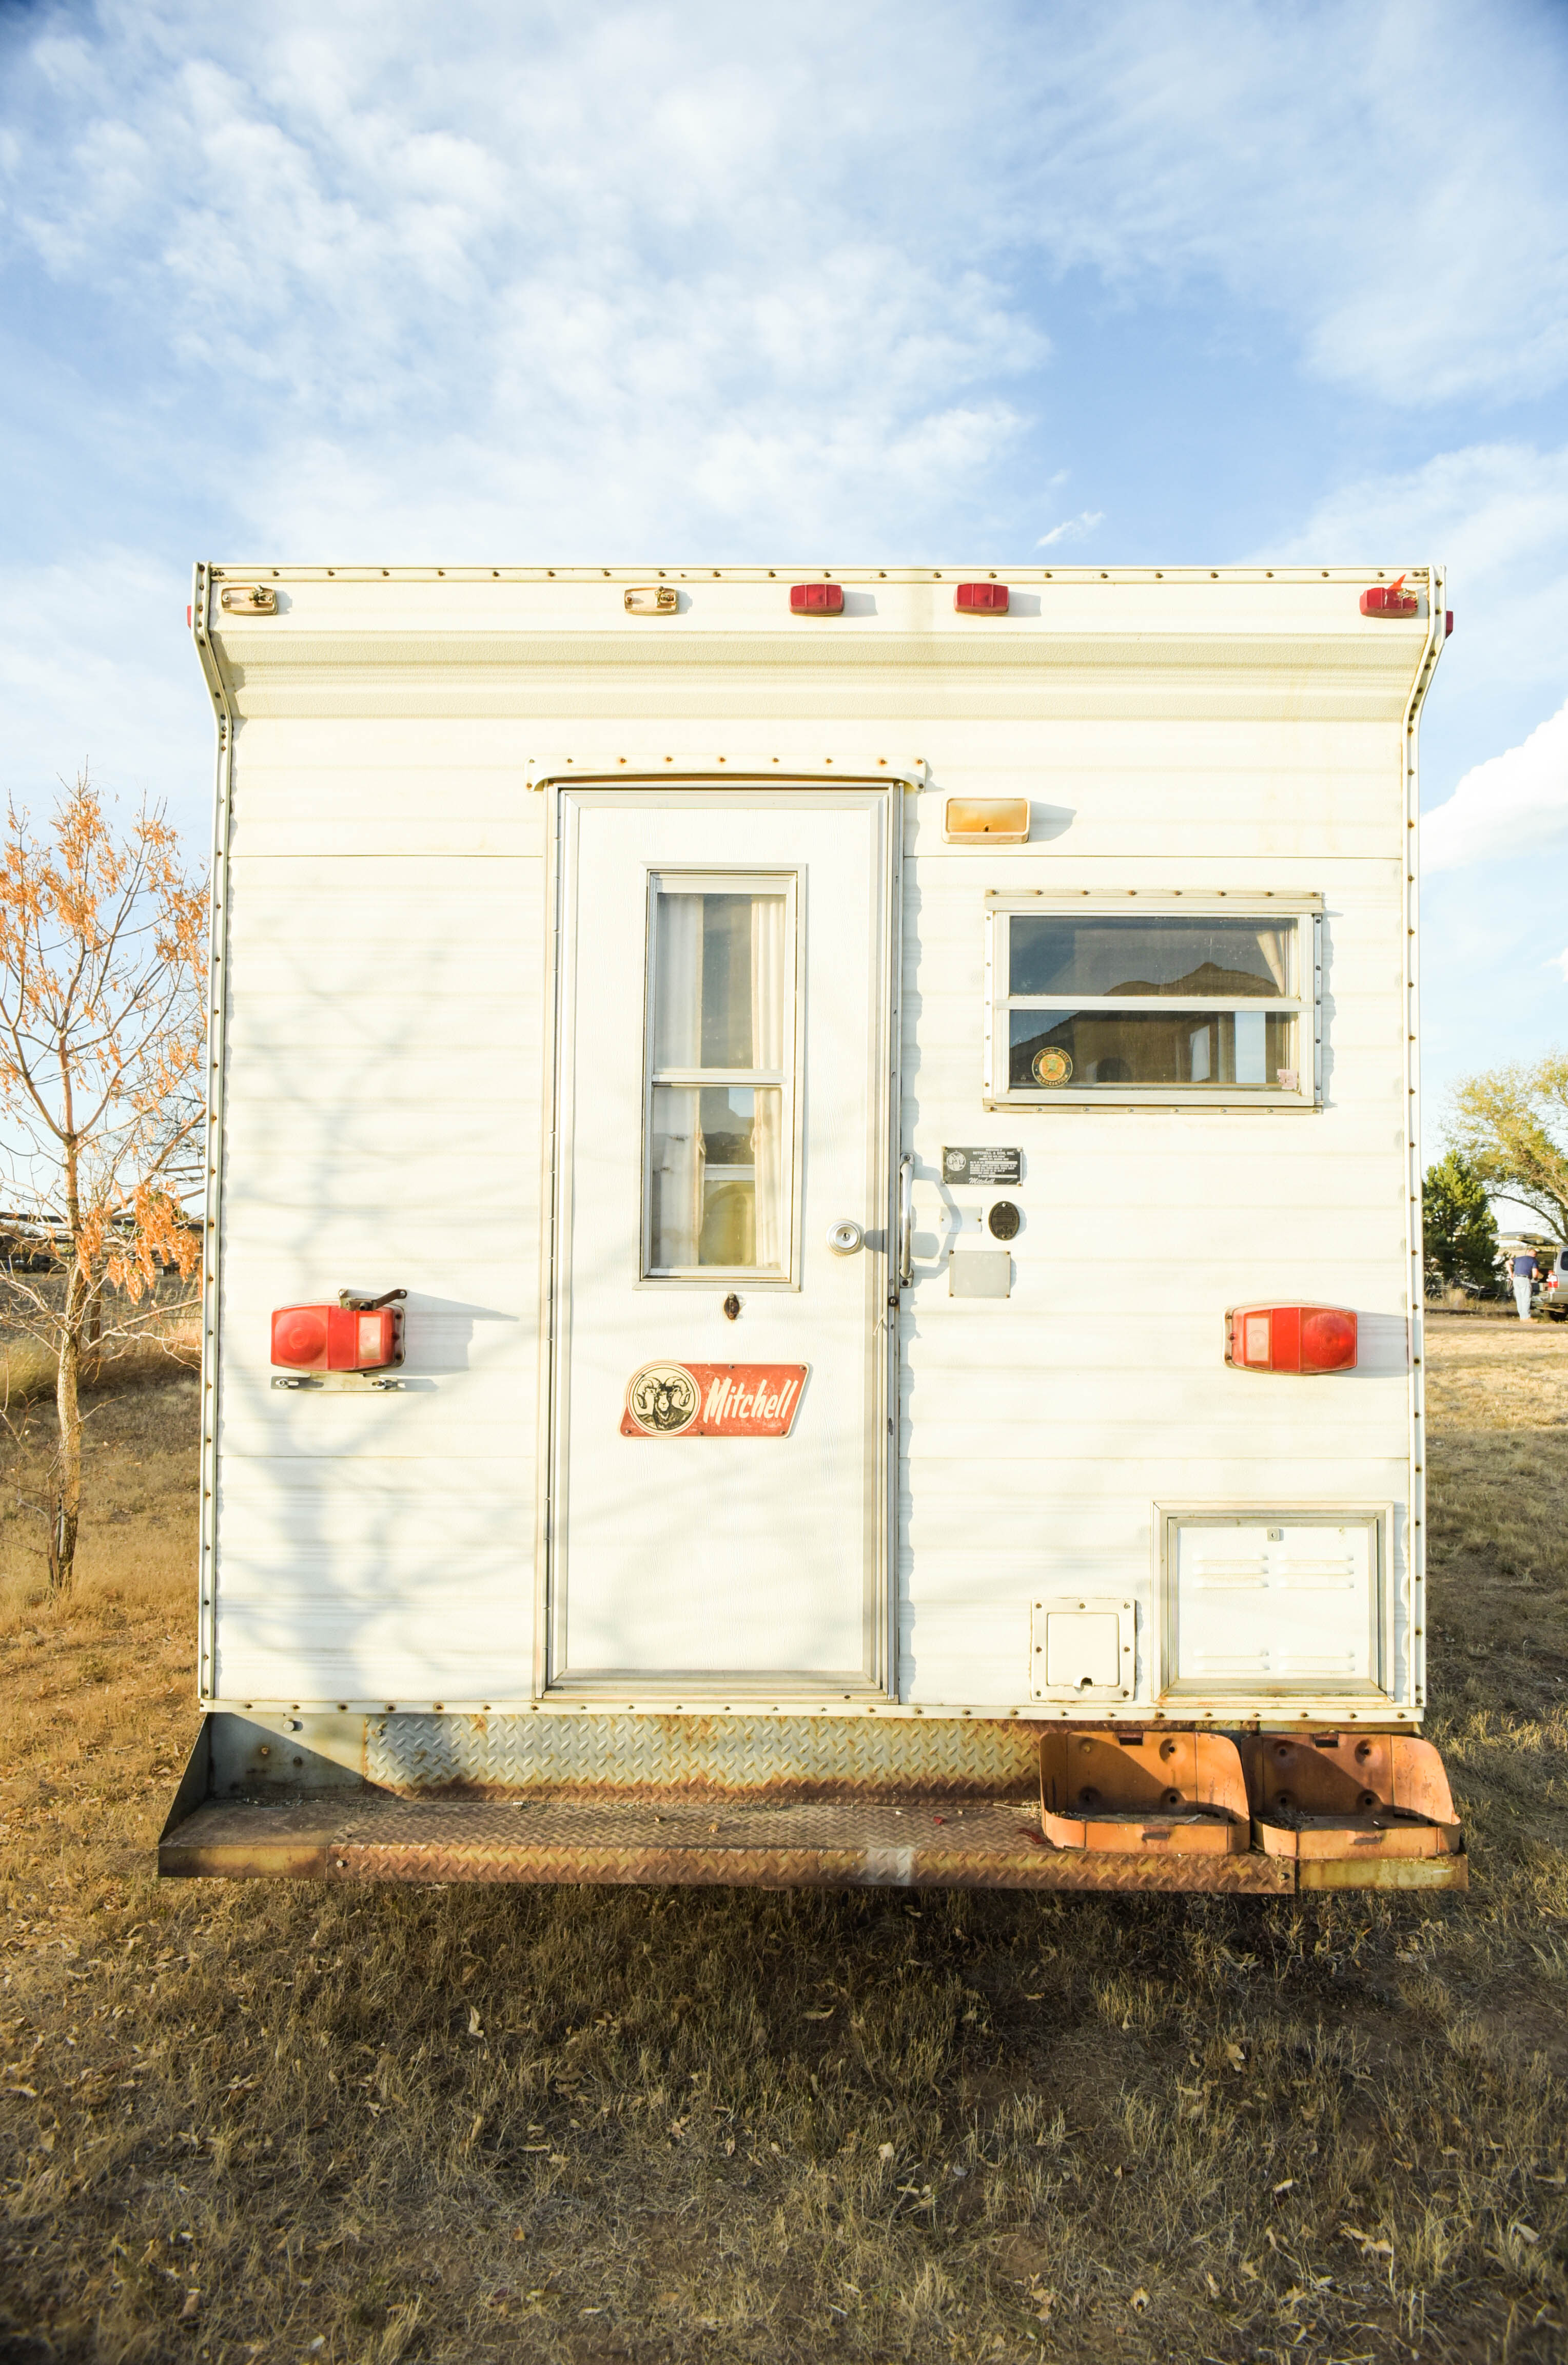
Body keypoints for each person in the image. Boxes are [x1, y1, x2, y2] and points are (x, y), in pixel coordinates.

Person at [1511, 1246, 1538, 1321]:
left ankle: (1522, 1317)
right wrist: (1536, 1279)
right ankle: (1527, 1317)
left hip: (1516, 1279)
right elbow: (1535, 1274)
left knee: (1519, 1299)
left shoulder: (1519, 1259)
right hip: (1525, 1279)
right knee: (1526, 1299)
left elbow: (1507, 1263)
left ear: (1528, 1253)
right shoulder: (1533, 1260)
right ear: (1535, 1255)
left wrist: (1511, 1274)